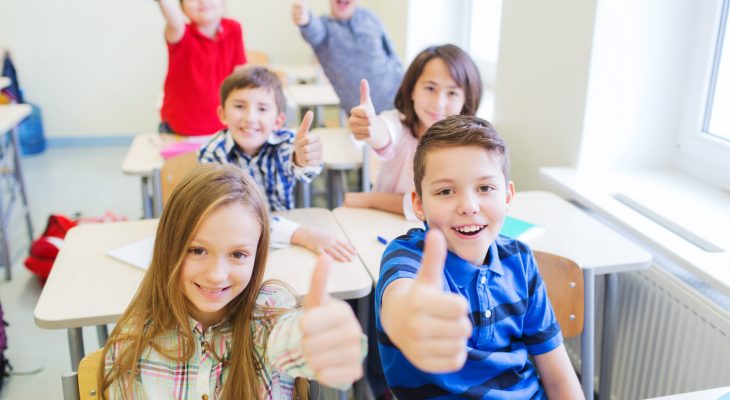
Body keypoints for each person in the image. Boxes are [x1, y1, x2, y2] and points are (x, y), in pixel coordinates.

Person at [101, 164, 365, 399]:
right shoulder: (133, 342)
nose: (216, 274)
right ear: (169, 246)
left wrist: (322, 344)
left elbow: (292, 340)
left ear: (257, 255)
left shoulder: (267, 314)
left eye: (238, 254)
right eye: (198, 250)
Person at [374, 115, 584, 399]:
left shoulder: (520, 261)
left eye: (485, 188)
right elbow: (400, 301)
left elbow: (559, 380)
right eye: (446, 191)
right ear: (419, 204)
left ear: (507, 197)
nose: (469, 206)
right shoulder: (408, 257)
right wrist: (408, 316)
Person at [198, 66, 356, 262]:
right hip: (237, 243)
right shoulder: (213, 153)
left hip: (283, 241)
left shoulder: (285, 142)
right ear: (223, 114)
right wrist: (303, 235)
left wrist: (307, 158)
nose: (250, 118)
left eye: (262, 109)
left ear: (278, 120)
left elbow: (300, 164)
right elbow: (228, 216)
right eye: (239, 106)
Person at [345, 44, 482, 220]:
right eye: (430, 88)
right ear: (411, 90)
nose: (438, 103)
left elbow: (431, 208)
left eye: (452, 93)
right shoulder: (399, 125)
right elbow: (382, 132)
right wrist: (369, 127)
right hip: (381, 225)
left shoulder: (469, 148)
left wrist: (372, 199)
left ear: (466, 99)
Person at [291, 0, 403, 113]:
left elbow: (392, 54)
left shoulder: (370, 17)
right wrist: (305, 20)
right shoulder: (324, 28)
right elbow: (312, 30)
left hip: (401, 101)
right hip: (364, 115)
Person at [156, 0, 246, 136]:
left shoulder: (233, 28)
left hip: (222, 126)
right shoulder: (180, 33)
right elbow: (172, 17)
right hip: (178, 128)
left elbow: (240, 73)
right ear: (182, 8)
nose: (202, 1)